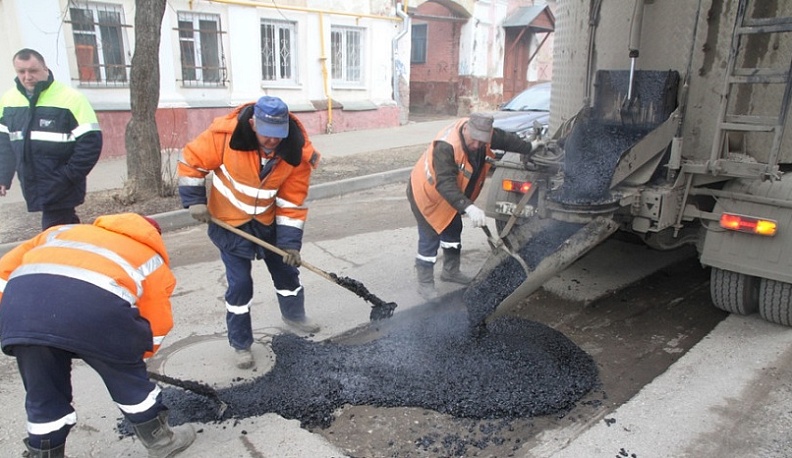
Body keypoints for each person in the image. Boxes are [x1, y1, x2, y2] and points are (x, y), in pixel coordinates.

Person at [0, 213, 196, 458]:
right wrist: (133, 358)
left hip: (23, 313)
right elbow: (157, 321)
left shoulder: (61, 232)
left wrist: (19, 321)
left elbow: (4, 271)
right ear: (152, 235)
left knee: (43, 392)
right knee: (128, 382)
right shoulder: (148, 256)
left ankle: (44, 454)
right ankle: (161, 441)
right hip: (96, 314)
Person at [178, 95, 321, 370]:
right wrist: (194, 199)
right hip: (229, 223)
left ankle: (294, 315)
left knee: (287, 272)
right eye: (267, 135)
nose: (272, 141)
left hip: (267, 225)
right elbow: (191, 162)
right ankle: (241, 343)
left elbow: (291, 202)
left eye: (278, 135)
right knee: (240, 285)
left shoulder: (296, 154)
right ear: (254, 124)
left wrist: (291, 245)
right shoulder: (224, 136)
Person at [406, 112, 542, 300]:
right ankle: (425, 284)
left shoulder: (482, 133)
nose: (478, 145)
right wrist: (469, 207)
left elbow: (505, 139)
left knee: (453, 230)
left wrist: (529, 147)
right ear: (467, 128)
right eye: (475, 140)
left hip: (451, 196)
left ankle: (450, 271)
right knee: (430, 238)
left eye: (482, 141)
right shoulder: (446, 147)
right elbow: (445, 183)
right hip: (427, 194)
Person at [0, 48, 103, 230]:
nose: (27, 76)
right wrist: (3, 177)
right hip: (34, 181)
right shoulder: (8, 101)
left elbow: (91, 142)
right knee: (64, 233)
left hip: (62, 183)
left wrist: (68, 175)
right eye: (21, 72)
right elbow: (5, 144)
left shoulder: (71, 99)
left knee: (54, 232)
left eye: (32, 71)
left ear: (45, 69)